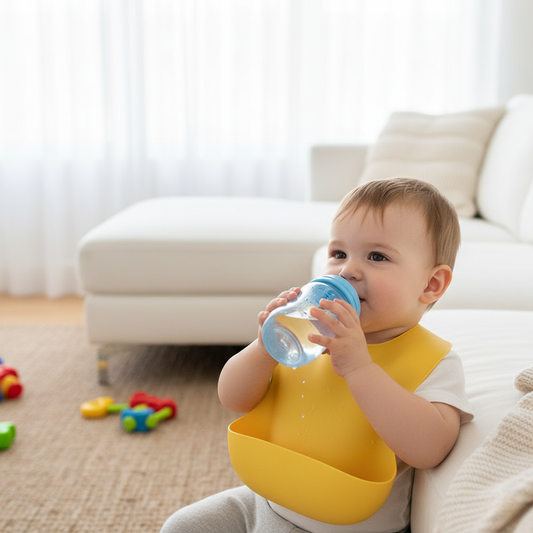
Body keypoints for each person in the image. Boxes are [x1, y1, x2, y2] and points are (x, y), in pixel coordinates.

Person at [160, 177, 473, 533]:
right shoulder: (306, 332)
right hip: (265, 501)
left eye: (377, 256)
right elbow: (233, 397)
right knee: (182, 526)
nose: (347, 270)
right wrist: (264, 348)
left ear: (430, 285)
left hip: (343, 525)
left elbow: (430, 449)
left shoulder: (434, 361)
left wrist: (359, 367)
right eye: (339, 253)